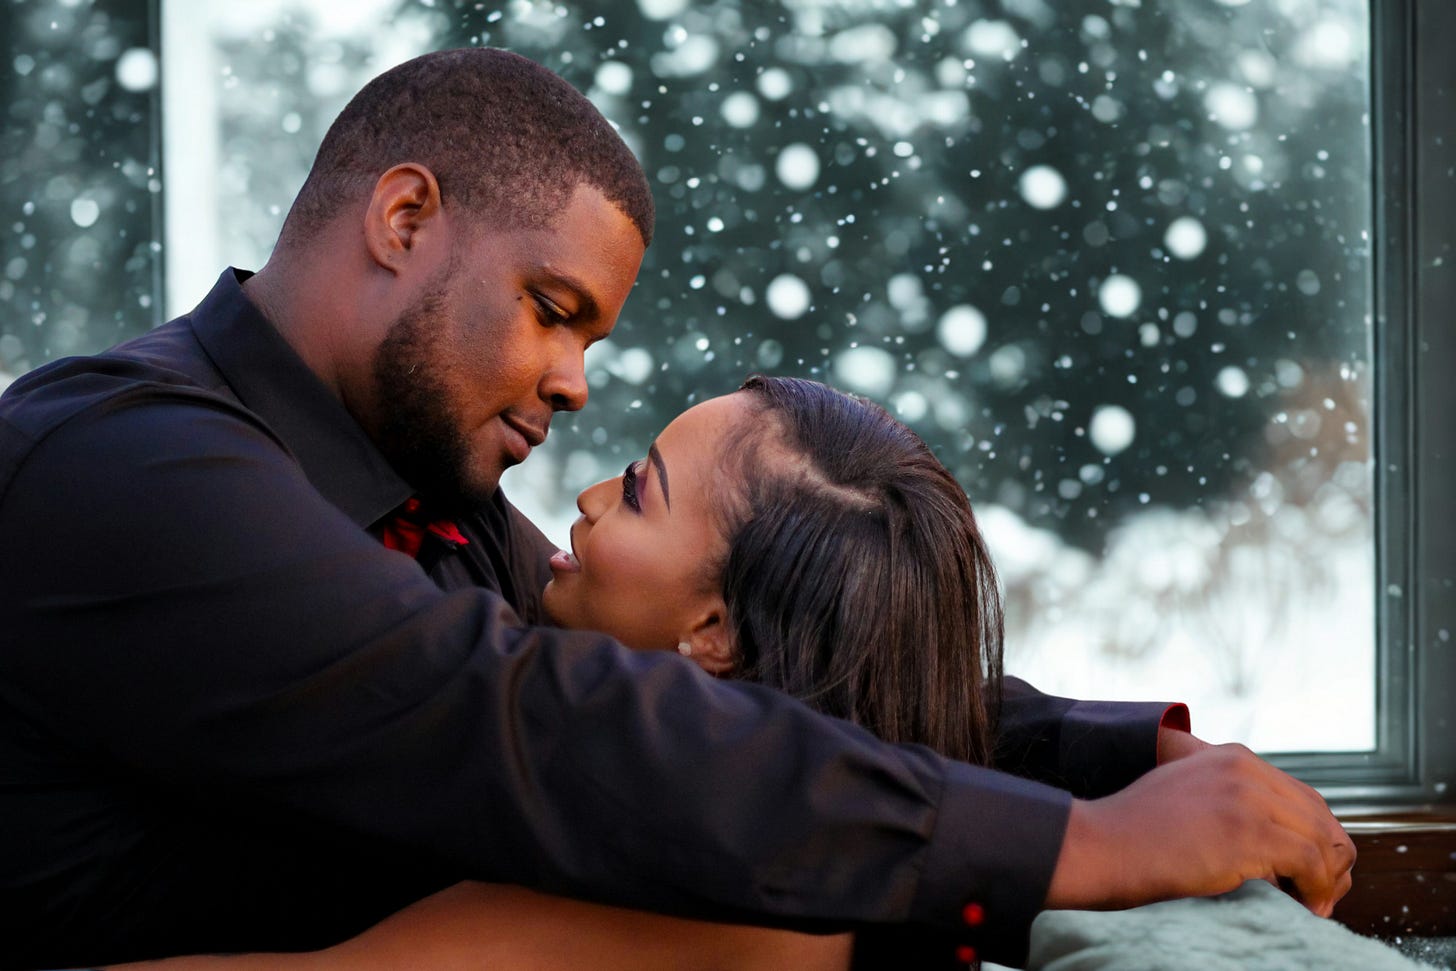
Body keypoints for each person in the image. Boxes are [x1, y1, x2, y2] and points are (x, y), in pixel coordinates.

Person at [0, 48, 1353, 971]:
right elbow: (533, 718)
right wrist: (1080, 843)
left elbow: (735, 661)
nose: (574, 383)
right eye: (552, 310)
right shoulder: (123, 464)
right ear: (404, 219)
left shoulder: (428, 501)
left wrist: (1104, 760)